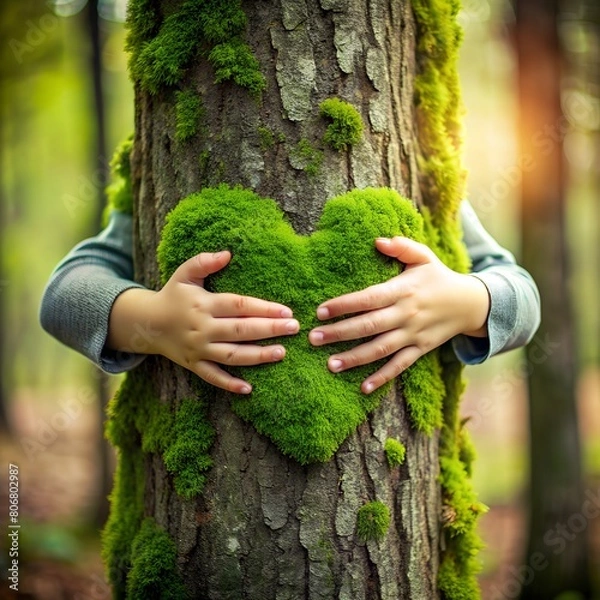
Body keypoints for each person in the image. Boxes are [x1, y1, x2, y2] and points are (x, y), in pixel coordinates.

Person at [40, 200, 540, 395]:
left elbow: (523, 298)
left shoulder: (436, 173)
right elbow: (62, 295)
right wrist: (149, 320)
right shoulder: (149, 169)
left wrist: (467, 300)